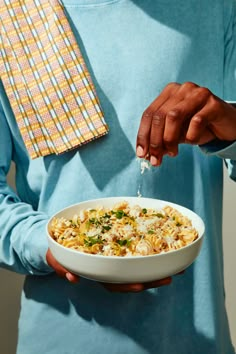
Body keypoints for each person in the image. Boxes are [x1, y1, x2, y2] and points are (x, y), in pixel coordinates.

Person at [0, 0, 236, 353]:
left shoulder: (219, 8)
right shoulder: (12, 16)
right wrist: (50, 246)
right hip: (60, 337)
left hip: (191, 338)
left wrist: (232, 128)